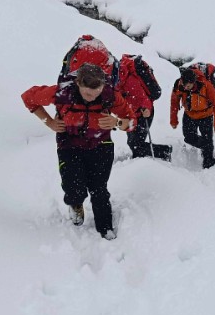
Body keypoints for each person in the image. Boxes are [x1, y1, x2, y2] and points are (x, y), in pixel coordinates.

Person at [22, 63, 136, 240]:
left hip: (101, 145)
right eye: (87, 93)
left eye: (96, 92)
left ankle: (105, 228)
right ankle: (75, 204)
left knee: (99, 189)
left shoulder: (110, 96)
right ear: (78, 84)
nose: (91, 97)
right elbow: (28, 98)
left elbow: (132, 121)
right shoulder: (62, 92)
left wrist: (117, 123)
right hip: (69, 145)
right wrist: (49, 122)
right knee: (74, 187)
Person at [170, 68, 215, 168]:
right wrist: (173, 119)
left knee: (208, 140)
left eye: (188, 85)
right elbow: (174, 102)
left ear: (193, 82)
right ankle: (207, 146)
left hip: (206, 115)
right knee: (189, 138)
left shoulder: (205, 84)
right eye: (184, 85)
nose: (186, 88)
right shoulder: (179, 85)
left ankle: (209, 162)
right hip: (189, 115)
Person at [117, 54, 155, 158]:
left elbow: (144, 98)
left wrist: (147, 108)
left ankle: (163, 153)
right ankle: (143, 162)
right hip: (130, 113)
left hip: (143, 113)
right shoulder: (114, 82)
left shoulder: (130, 81)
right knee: (132, 142)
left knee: (136, 145)